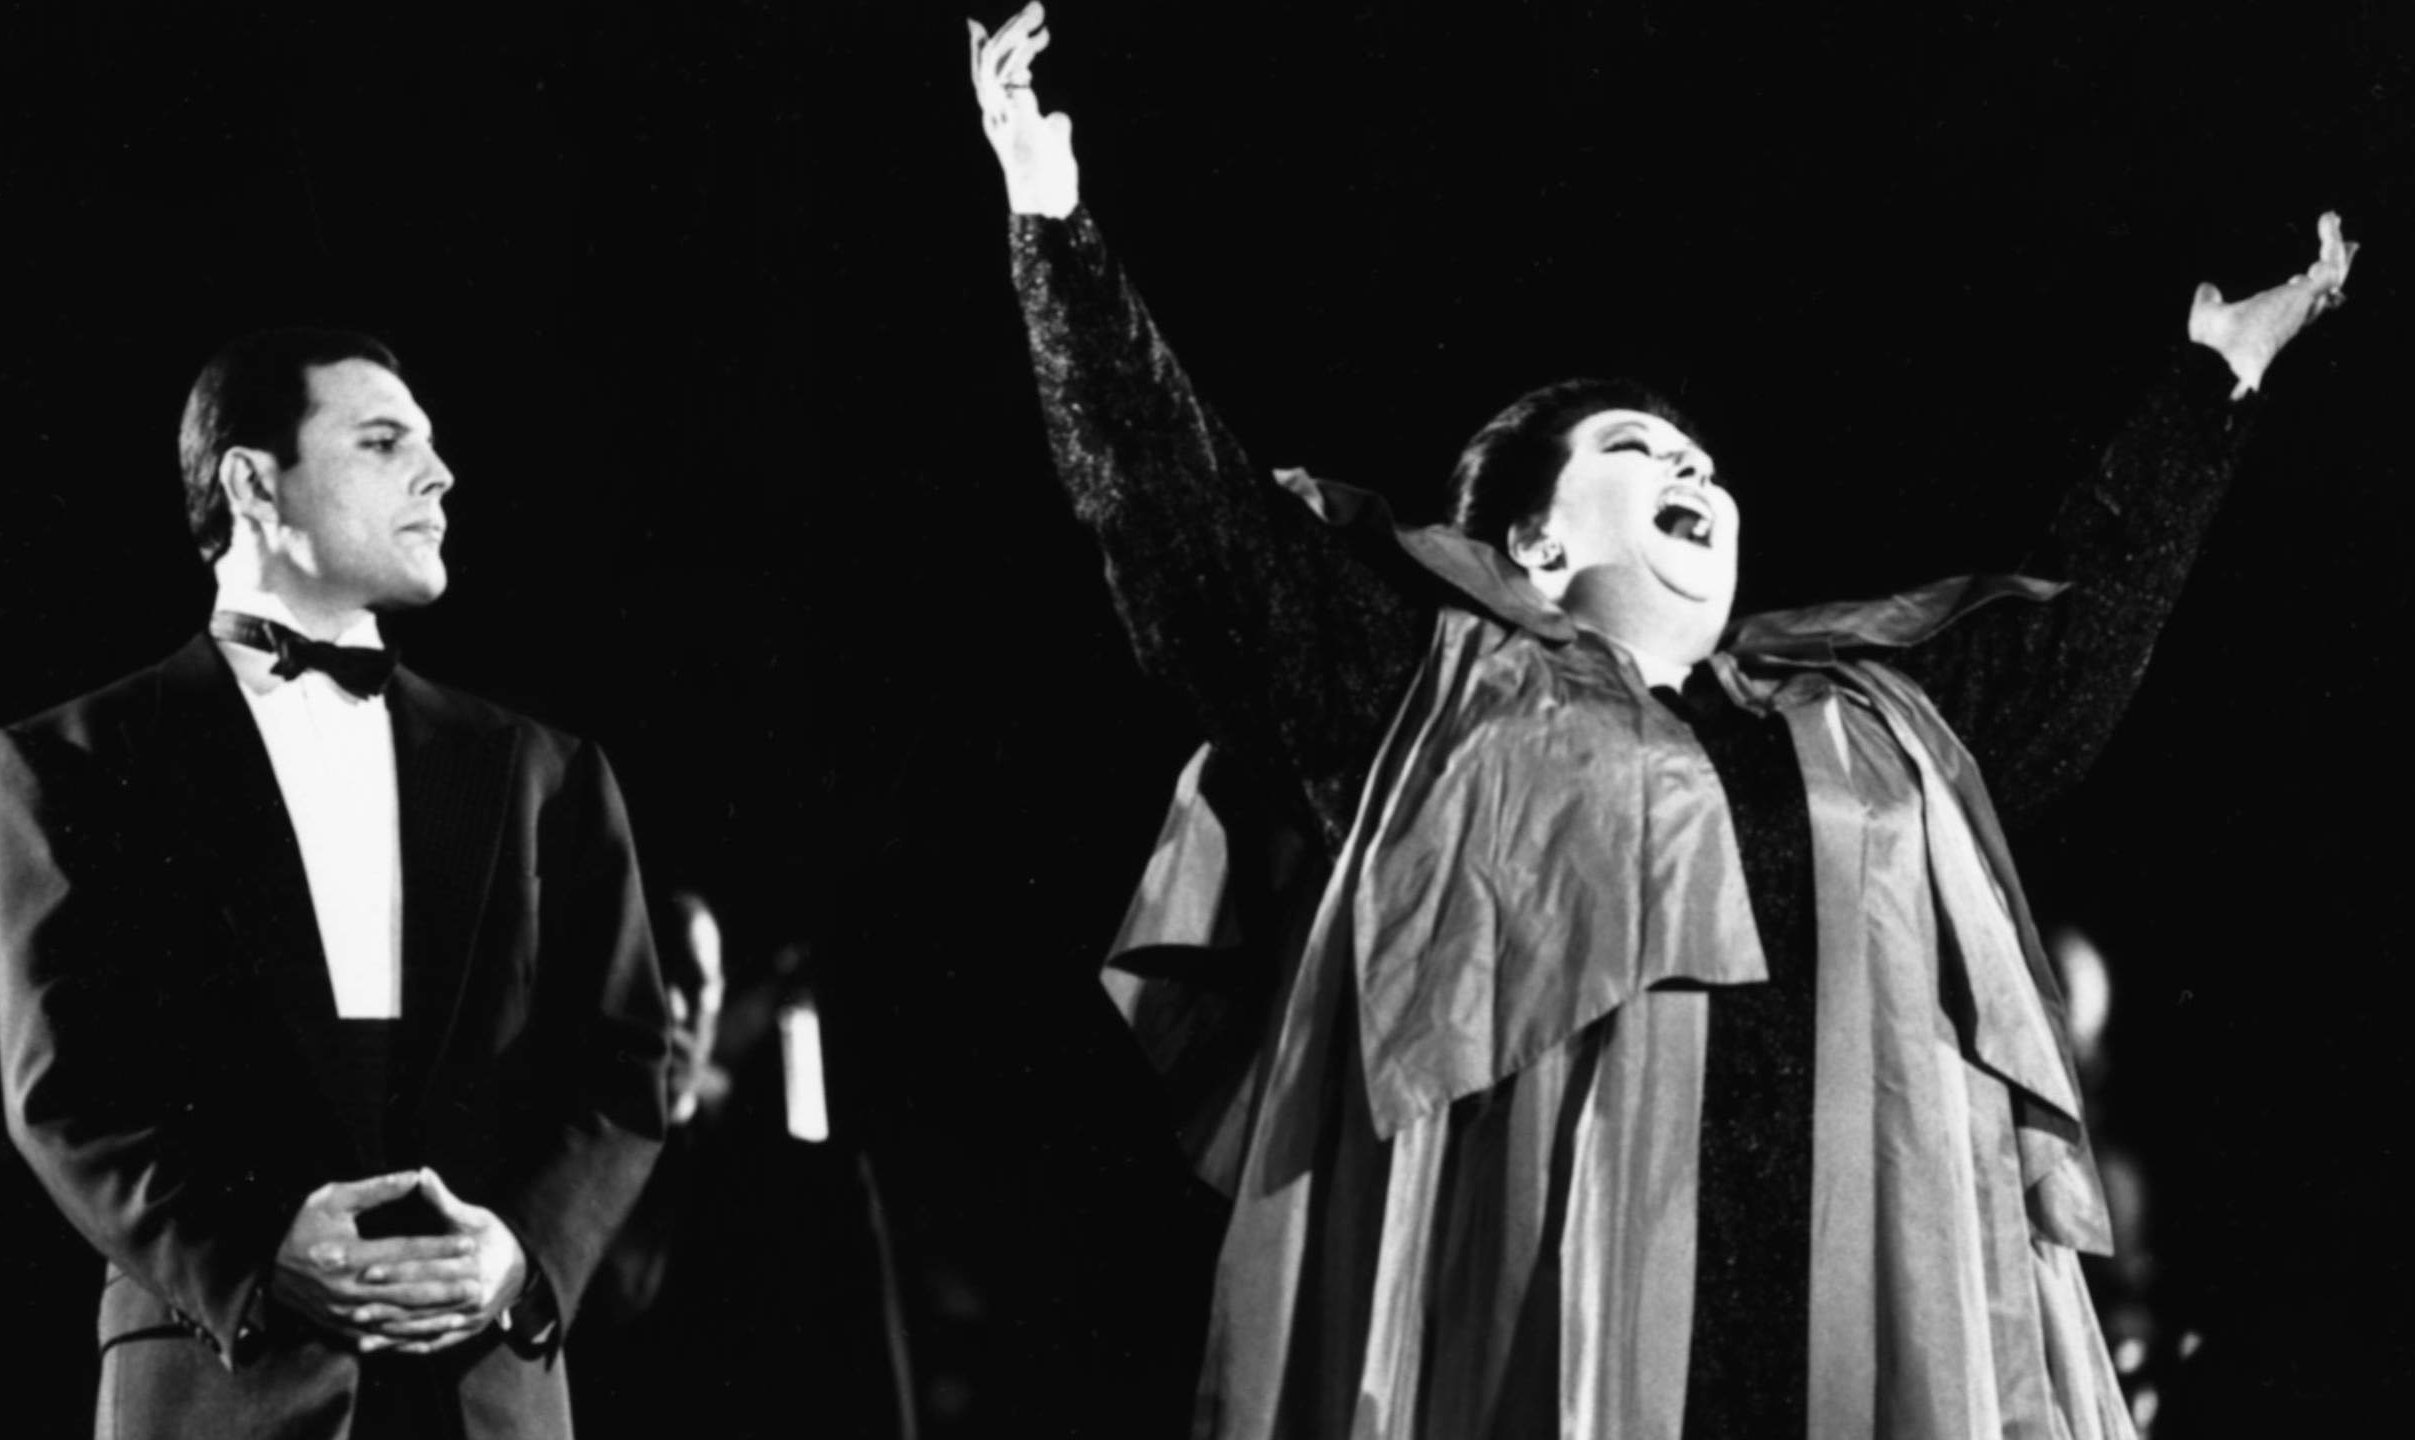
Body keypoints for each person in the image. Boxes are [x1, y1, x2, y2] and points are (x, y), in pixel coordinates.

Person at [965, 7, 2356, 1438]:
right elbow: (1196, 541)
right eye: (1634, 453)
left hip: (1859, 1343)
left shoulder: (1869, 727)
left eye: (1701, 457)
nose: (1692, 464)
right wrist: (1056, 230)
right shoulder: (1445, 702)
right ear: (1538, 544)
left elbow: (2067, 655)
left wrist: (2215, 386)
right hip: (1565, 1350)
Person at [0, 328, 671, 1439]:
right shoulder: (74, 757)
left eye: (433, 446)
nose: (439, 474)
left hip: (484, 1386)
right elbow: (65, 1086)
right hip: (218, 1380)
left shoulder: (543, 770)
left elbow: (627, 1056)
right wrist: (255, 1253)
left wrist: (523, 1256)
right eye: (385, 440)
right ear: (253, 483)